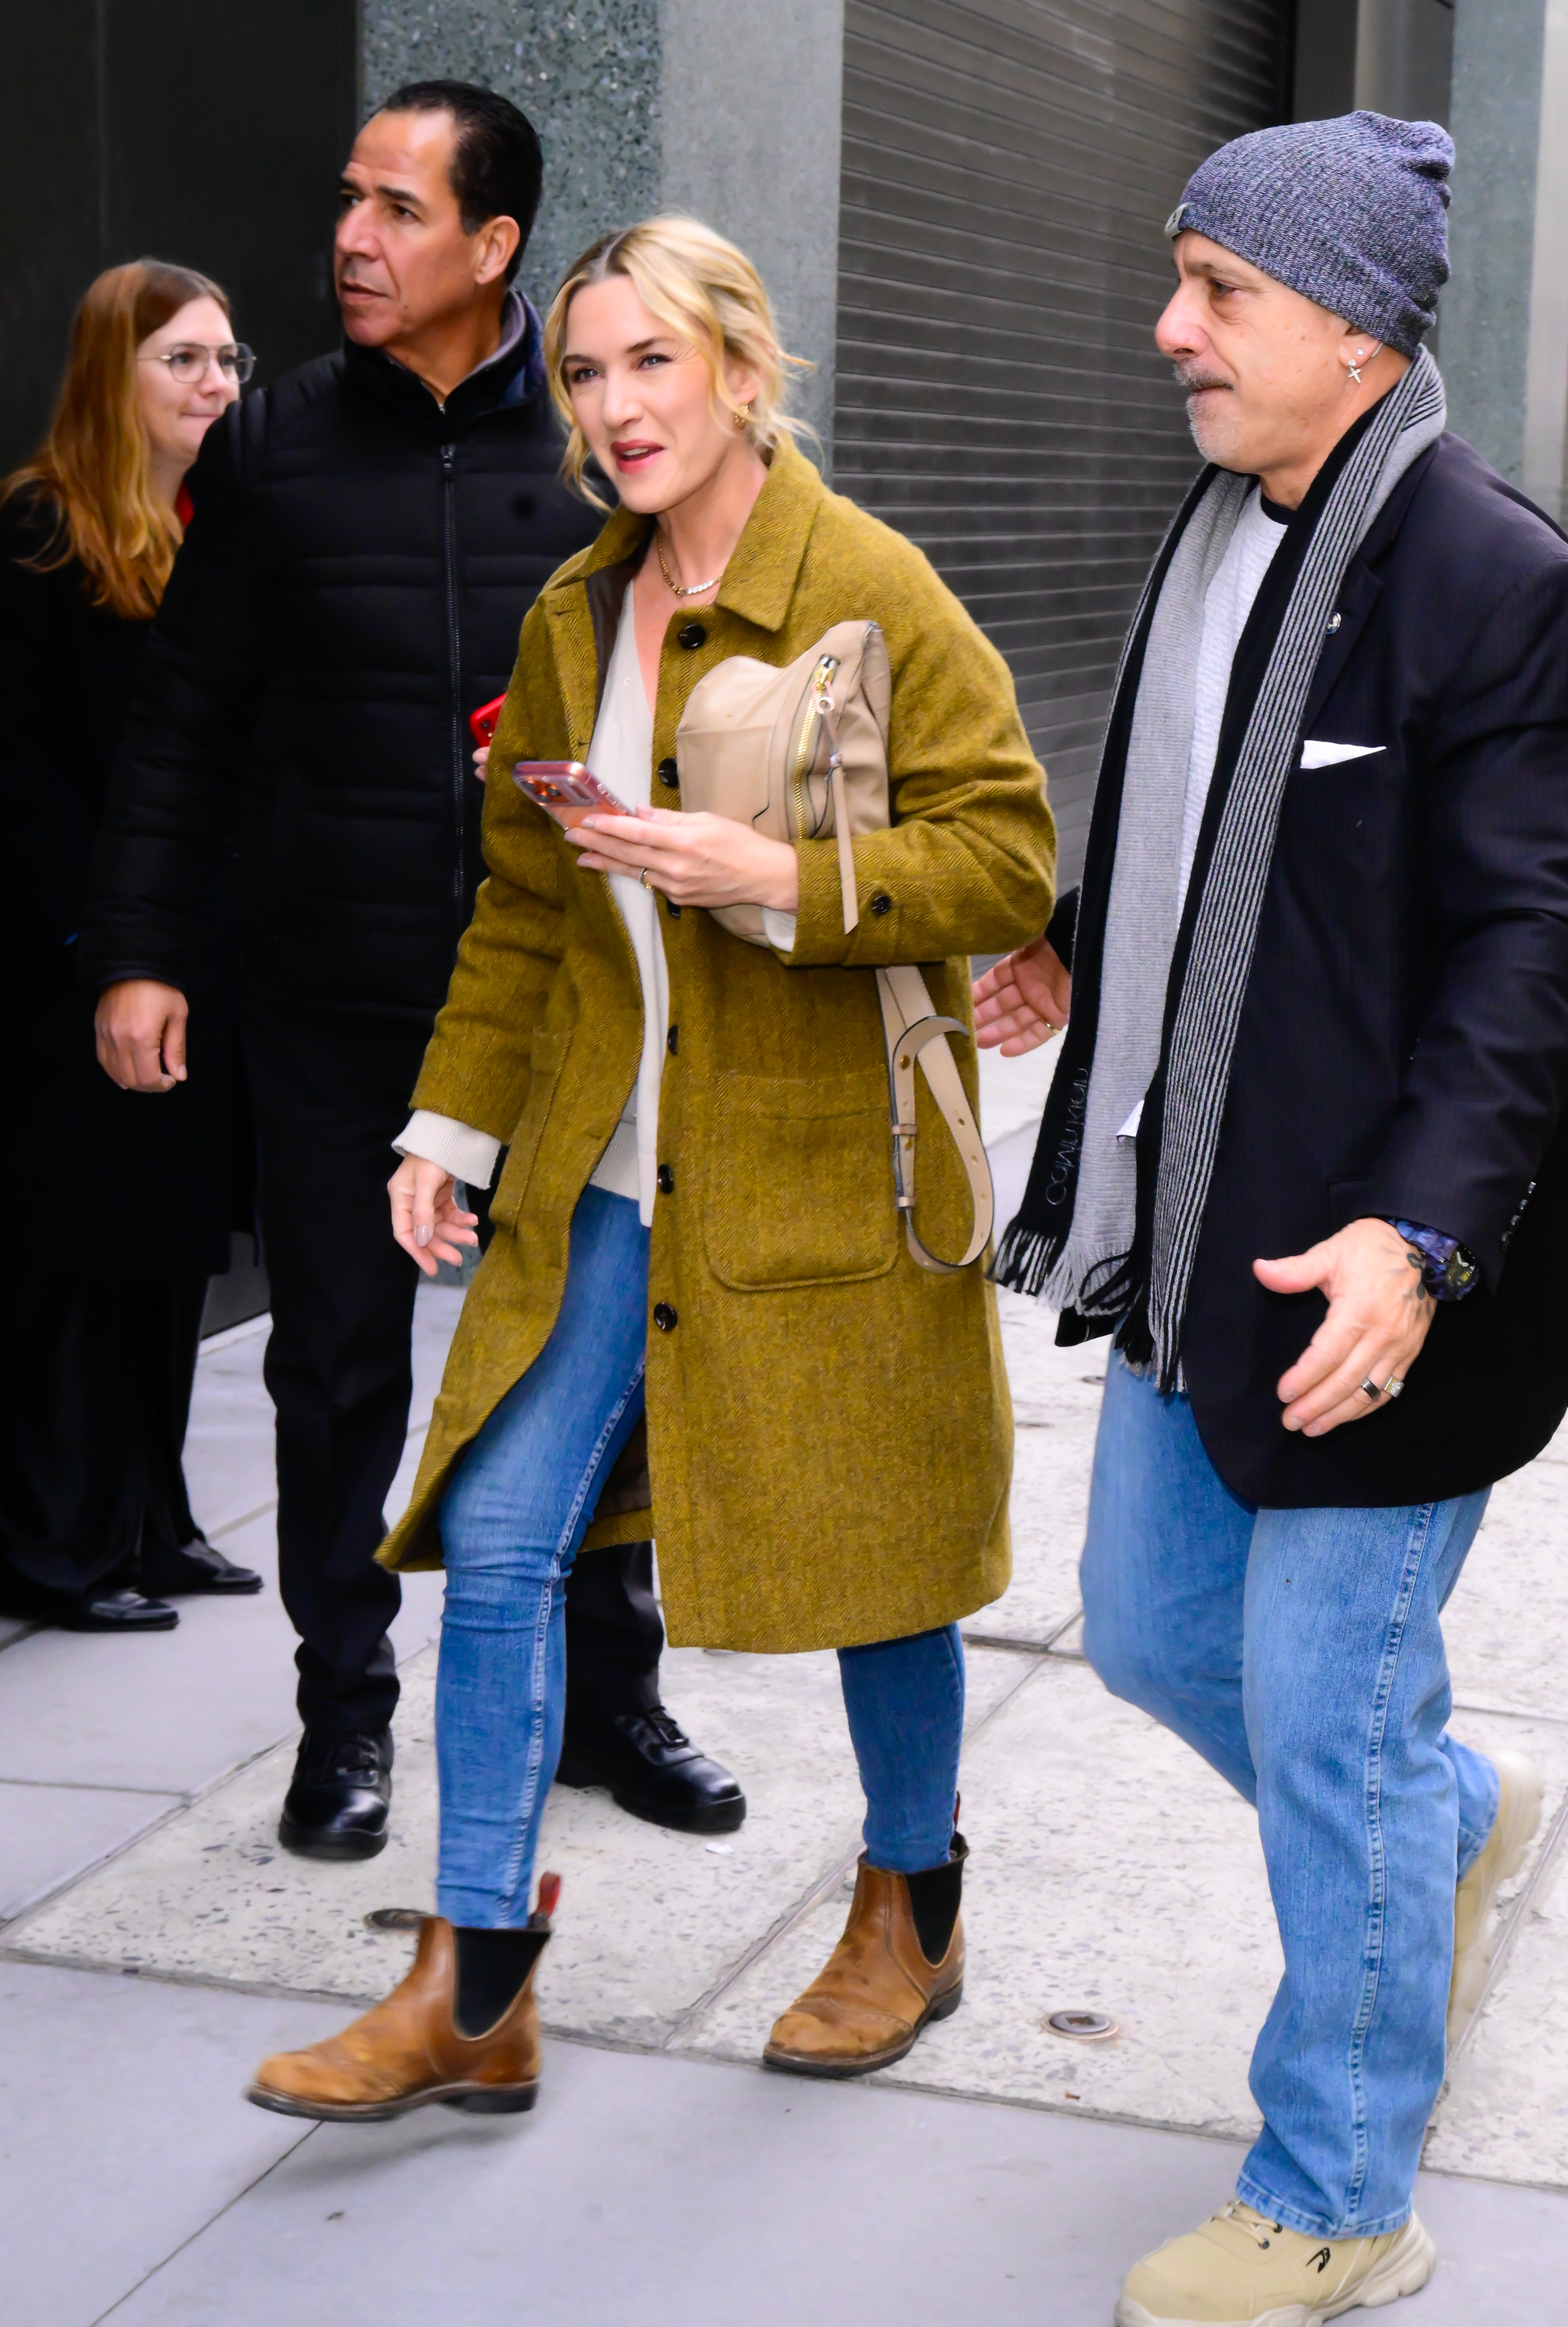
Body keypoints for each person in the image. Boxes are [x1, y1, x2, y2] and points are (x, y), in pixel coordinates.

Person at [241, 213, 1057, 2123]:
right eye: (590, 373)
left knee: (883, 1563)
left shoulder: (868, 585)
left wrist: (780, 881)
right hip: (606, 1172)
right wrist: (446, 1128)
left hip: (814, 1173)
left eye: (653, 364)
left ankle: (912, 1908)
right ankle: (476, 1985)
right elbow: (522, 912)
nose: (615, 409)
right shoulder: (570, 613)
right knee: (504, 1548)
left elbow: (1006, 861)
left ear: (745, 370)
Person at [978, 112, 1566, 2325]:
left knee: (1319, 1721)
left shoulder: (1492, 576)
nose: (1168, 333)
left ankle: (1333, 2189)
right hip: (1193, 1211)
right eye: (1177, 282)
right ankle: (1437, 1815)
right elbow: (1203, 816)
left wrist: (1413, 1245)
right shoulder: (1227, 525)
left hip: (1371, 1279)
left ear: (1348, 319)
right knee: (1145, 1632)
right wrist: (1067, 936)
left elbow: (1529, 946)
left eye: (1212, 291)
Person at [81, 84, 740, 1853]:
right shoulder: (274, 448)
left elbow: (725, 693)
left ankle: (614, 1691)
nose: (353, 241)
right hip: (332, 1000)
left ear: (495, 244)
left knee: (597, 1356)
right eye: (349, 203)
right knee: (338, 1370)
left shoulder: (607, 445)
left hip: (572, 999)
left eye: (396, 209)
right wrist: (142, 949)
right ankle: (344, 1717)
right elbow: (184, 729)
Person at [0, 260, 261, 1632]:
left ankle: (153, 1526)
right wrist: (99, 934)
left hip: (194, 948)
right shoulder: (39, 532)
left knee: (167, 1248)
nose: (216, 385)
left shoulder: (215, 530)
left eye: (227, 361)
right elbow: (18, 765)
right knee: (71, 1258)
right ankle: (55, 1546)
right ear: (116, 371)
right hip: (72, 960)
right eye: (184, 361)